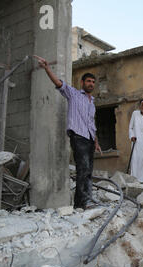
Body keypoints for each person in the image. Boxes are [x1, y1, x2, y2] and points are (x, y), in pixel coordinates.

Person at [34, 55, 102, 210]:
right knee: (82, 170)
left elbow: (92, 123)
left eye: (93, 82)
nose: (91, 84)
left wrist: (96, 142)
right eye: (88, 81)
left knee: (88, 172)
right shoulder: (74, 94)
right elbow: (58, 83)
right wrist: (47, 68)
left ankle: (87, 200)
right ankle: (80, 205)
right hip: (78, 137)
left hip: (90, 139)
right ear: (82, 83)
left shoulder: (92, 103)